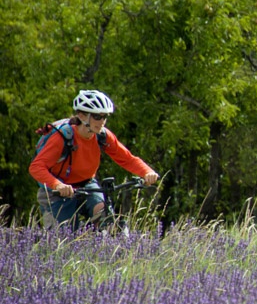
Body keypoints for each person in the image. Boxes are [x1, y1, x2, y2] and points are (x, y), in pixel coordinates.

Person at [29, 89, 160, 228]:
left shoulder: (102, 135)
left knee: (105, 217)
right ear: (82, 115)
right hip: (57, 190)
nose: (102, 121)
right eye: (98, 117)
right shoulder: (62, 137)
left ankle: (106, 245)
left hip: (87, 185)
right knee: (64, 236)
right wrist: (58, 185)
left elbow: (127, 159)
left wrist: (146, 172)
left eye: (105, 117)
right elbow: (36, 167)